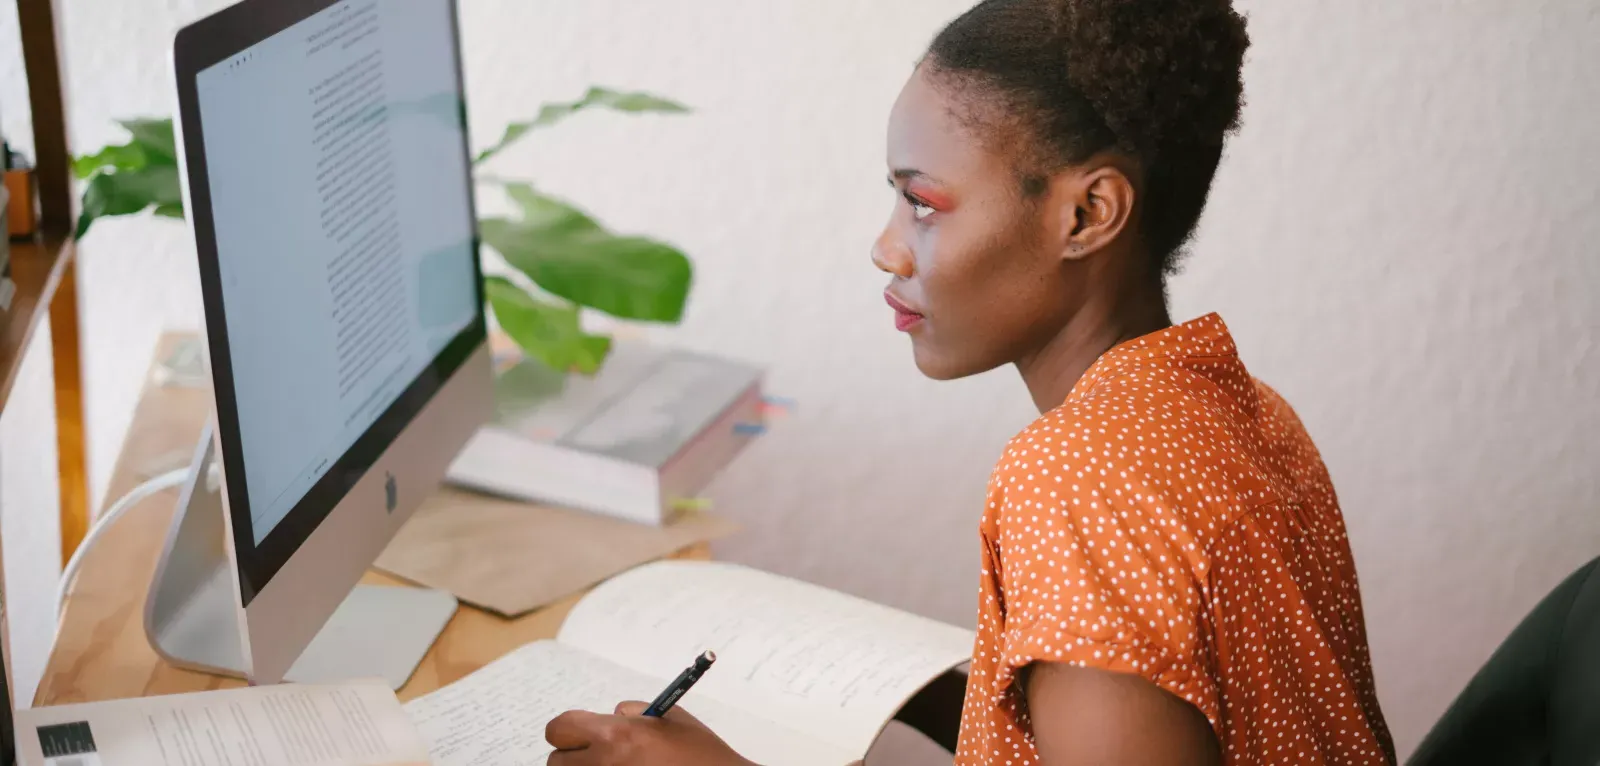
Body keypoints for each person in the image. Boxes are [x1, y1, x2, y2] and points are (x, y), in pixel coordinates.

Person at [542, 0, 1399, 763]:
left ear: (1086, 214)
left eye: (923, 202)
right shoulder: (1242, 408)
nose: (887, 246)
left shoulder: (1074, 481)